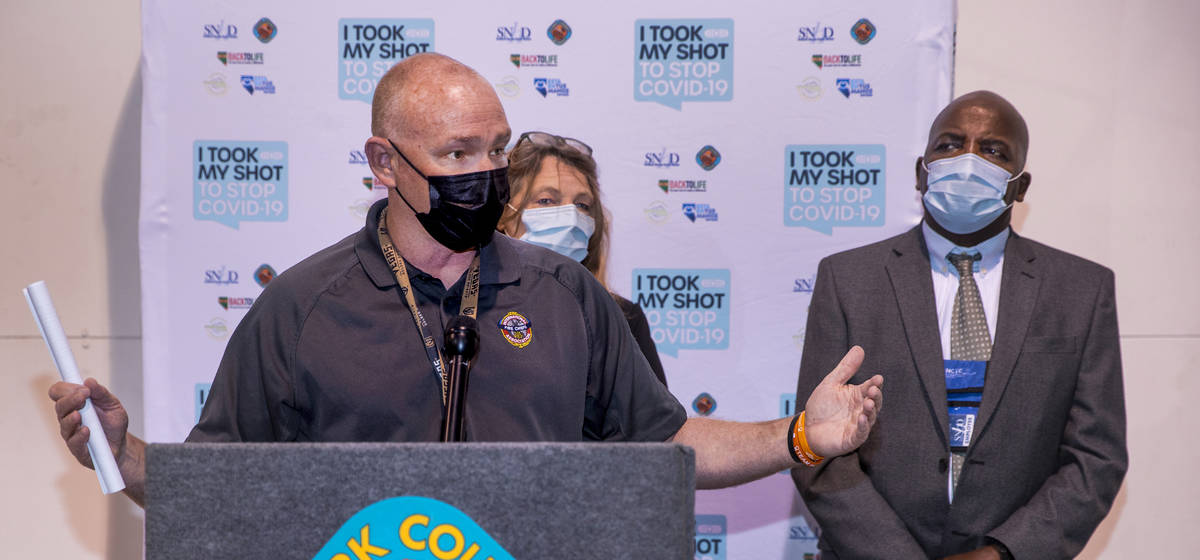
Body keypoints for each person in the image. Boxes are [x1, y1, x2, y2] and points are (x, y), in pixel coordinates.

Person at [50, 53, 882, 509]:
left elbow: (664, 444)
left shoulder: (566, 296)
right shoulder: (301, 309)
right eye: (455, 154)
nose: (484, 172)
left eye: (495, 148)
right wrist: (121, 451)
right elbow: (214, 485)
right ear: (384, 162)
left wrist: (797, 435)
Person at [791, 90, 1127, 560]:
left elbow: (1097, 456)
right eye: (950, 144)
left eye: (994, 150)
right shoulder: (848, 278)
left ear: (1021, 184)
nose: (968, 160)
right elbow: (816, 449)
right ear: (920, 166)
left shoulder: (1081, 290)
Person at [498, 131, 667, 385]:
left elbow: (656, 422)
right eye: (546, 200)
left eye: (582, 205)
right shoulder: (475, 311)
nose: (570, 216)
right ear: (504, 215)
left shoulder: (622, 319)